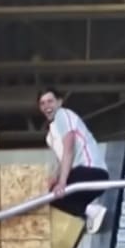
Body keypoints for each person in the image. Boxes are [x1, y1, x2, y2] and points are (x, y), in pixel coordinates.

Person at [40, 88, 111, 233]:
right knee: (49, 196)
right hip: (80, 175)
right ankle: (89, 211)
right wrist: (55, 178)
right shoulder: (50, 136)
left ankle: (91, 211)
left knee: (53, 195)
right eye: (42, 103)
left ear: (59, 102)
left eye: (50, 101)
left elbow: (69, 148)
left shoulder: (63, 114)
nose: (47, 106)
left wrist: (62, 182)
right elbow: (62, 160)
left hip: (91, 170)